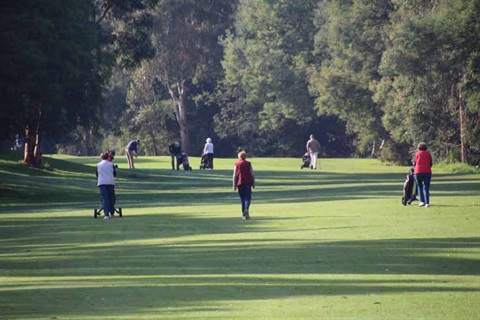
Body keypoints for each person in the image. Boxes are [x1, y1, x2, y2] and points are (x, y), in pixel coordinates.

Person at [233, 151, 255, 220]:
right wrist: (253, 183)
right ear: (245, 157)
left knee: (242, 198)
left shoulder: (236, 164)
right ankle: (246, 209)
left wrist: (234, 185)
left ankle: (243, 214)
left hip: (240, 183)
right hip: (248, 183)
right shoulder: (248, 164)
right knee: (248, 198)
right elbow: (252, 174)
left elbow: (235, 176)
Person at [96, 152, 117, 219]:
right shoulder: (111, 164)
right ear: (108, 157)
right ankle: (111, 212)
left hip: (102, 183)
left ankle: (106, 214)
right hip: (110, 182)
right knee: (111, 197)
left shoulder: (98, 165)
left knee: (105, 198)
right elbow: (114, 174)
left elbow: (97, 174)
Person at [414, 142, 433, 208]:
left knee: (420, 186)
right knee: (426, 187)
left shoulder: (417, 154)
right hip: (427, 171)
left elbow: (415, 163)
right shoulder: (428, 154)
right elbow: (430, 163)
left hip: (418, 171)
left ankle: (422, 201)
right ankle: (427, 202)